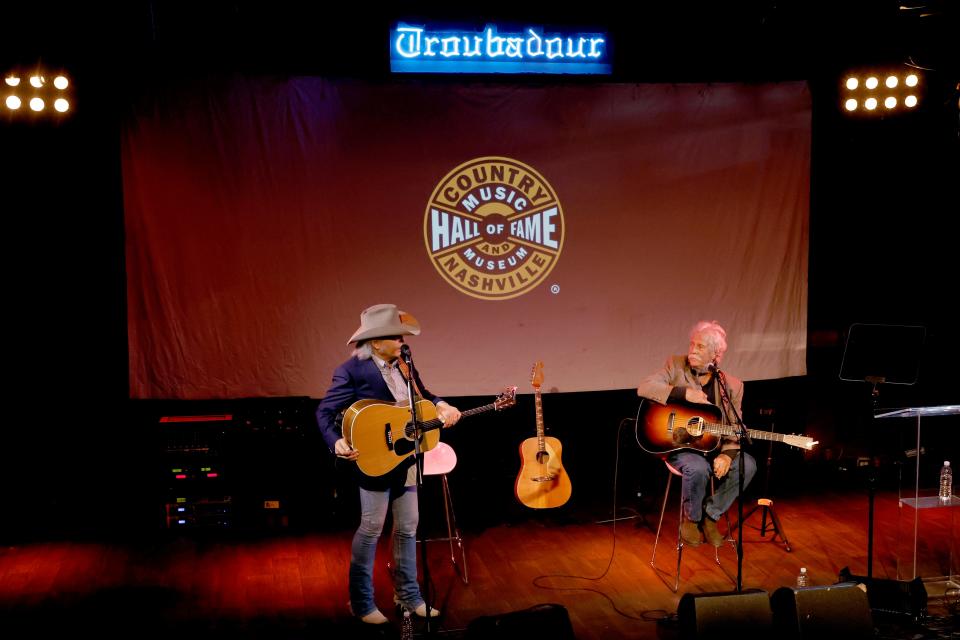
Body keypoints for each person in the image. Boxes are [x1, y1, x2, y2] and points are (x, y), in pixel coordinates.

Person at [316, 303, 462, 624]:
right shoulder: (351, 371)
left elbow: (423, 395)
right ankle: (361, 601)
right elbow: (324, 412)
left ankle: (408, 597)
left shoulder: (404, 364)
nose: (402, 341)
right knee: (371, 529)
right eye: (395, 336)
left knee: (408, 527)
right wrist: (336, 442)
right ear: (376, 342)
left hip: (406, 455)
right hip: (375, 461)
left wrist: (442, 405)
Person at [636, 320, 756, 547]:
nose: (692, 350)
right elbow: (645, 387)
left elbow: (733, 427)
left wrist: (727, 455)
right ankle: (691, 519)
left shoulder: (732, 386)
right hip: (680, 445)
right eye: (692, 344)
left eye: (700, 347)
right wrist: (683, 393)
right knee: (698, 468)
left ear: (716, 355)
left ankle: (711, 516)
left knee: (747, 466)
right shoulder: (676, 365)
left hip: (714, 447)